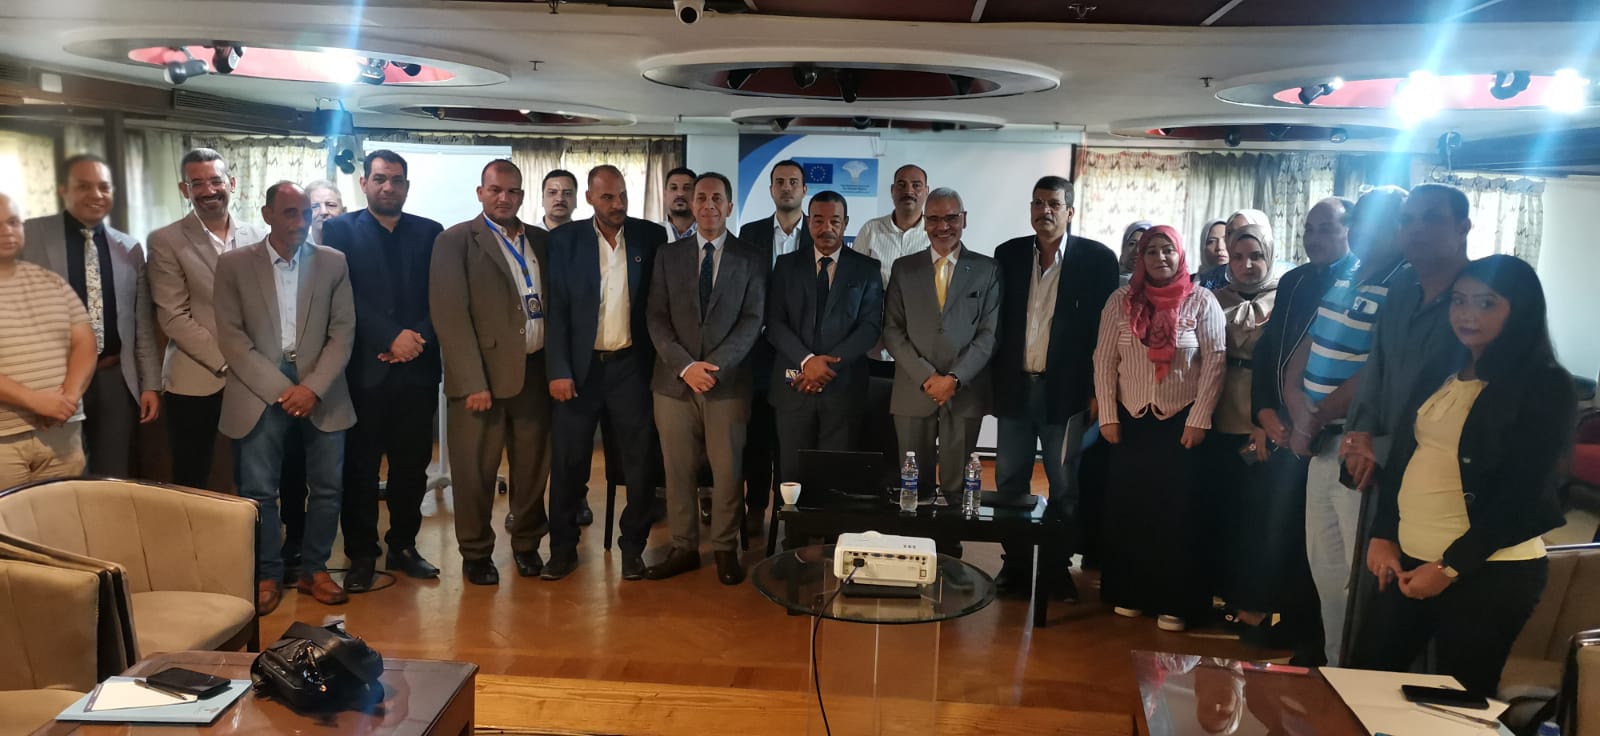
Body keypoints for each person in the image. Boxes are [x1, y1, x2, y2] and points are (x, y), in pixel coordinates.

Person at [1350, 255, 1573, 697]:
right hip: (1410, 560)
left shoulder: (1545, 385)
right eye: (1459, 301)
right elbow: (1405, 458)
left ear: (1520, 310)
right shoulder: (1443, 369)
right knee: (1364, 684)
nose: (1468, 314)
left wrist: (1449, 567)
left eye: (1486, 303)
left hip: (1488, 574)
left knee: (1456, 705)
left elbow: (1522, 496)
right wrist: (1384, 533)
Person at [1340, 184, 1477, 662]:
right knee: (1371, 602)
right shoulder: (1400, 287)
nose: (1416, 229)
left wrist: (1381, 445)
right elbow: (1376, 367)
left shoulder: (1475, 299)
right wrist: (1359, 437)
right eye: (1407, 219)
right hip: (1380, 466)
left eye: (1431, 218)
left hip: (1442, 481)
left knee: (1419, 620)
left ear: (1463, 227)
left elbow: (1461, 404)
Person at [213, 181, 355, 614]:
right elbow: (232, 338)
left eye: (305, 213)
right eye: (290, 213)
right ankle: (266, 575)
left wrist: (311, 388)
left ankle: (315, 569)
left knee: (327, 488)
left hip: (321, 386)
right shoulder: (234, 265)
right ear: (268, 214)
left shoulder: (333, 262)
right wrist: (282, 390)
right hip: (260, 387)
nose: (300, 221)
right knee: (259, 491)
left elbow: (343, 332)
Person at [1280, 187, 1407, 664]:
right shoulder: (1348, 274)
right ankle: (1334, 664)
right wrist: (1297, 406)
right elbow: (1308, 345)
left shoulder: (1403, 283)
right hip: (1319, 443)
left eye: (1379, 223)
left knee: (1358, 574)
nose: (1364, 232)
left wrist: (1317, 416)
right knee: (1326, 568)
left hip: (1356, 443)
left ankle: (1353, 671)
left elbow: (1380, 366)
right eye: (1360, 222)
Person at [1236, 196, 1355, 664]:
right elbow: (1270, 351)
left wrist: (1309, 416)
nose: (1314, 238)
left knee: (1327, 548)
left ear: (1350, 231)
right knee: (1286, 531)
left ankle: (1319, 637)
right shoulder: (1295, 280)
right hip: (1285, 427)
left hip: (1329, 427)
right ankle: (1292, 623)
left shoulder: (1359, 281)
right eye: (1308, 229)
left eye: (1326, 228)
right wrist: (1264, 411)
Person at [320, 150, 445, 591]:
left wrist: (416, 339)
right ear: (364, 183)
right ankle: (361, 554)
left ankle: (404, 546)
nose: (388, 187)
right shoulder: (338, 230)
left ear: (406, 186)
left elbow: (442, 294)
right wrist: (390, 337)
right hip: (363, 371)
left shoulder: (430, 232)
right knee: (361, 467)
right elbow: (343, 295)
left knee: (412, 467)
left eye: (396, 180)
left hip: (418, 369)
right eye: (379, 179)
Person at [990, 176, 1118, 601]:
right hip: (1015, 388)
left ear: (1070, 212)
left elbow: (1105, 333)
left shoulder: (1097, 259)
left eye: (1054, 204)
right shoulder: (1008, 254)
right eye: (1038, 203)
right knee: (1010, 481)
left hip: (1067, 393)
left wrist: (1098, 391)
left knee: (1064, 486)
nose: (1044, 211)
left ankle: (1056, 568)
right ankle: (1015, 563)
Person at [1093, 225, 1225, 631]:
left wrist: (1200, 418)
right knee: (1132, 510)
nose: (1160, 258)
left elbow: (1215, 362)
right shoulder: (1120, 301)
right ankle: (1131, 591)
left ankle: (1176, 602)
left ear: (1180, 254)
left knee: (1178, 514)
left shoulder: (1201, 301)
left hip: (1181, 423)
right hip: (1131, 421)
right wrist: (1108, 415)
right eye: (1151, 251)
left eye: (1168, 250)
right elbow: (1103, 360)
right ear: (1141, 258)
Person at [430, 159, 555, 585]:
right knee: (475, 473)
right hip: (481, 380)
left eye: (513, 191)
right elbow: (450, 316)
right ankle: (476, 552)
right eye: (496, 190)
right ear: (480, 193)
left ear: (522, 195)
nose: (505, 198)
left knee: (533, 468)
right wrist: (472, 382)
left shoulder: (540, 240)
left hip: (533, 372)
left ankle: (527, 543)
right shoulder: (455, 241)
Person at [545, 165, 667, 581]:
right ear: (590, 200)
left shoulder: (651, 237)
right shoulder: (565, 241)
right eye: (607, 198)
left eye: (622, 196)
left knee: (640, 462)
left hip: (631, 368)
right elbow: (556, 311)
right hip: (578, 372)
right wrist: (558, 370)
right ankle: (562, 550)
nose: (618, 205)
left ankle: (633, 548)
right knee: (568, 463)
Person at [643, 172, 766, 584]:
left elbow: (753, 320)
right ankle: (683, 547)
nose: (708, 205)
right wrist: (686, 366)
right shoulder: (667, 255)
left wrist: (712, 367)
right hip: (673, 383)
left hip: (726, 383)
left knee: (728, 470)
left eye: (717, 198)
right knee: (677, 470)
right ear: (691, 204)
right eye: (701, 198)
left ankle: (726, 548)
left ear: (729, 206)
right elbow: (655, 316)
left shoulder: (751, 258)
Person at [22, 154, 160, 477]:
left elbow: (140, 325)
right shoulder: (30, 235)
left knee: (113, 470)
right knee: (61, 471)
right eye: (84, 186)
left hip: (114, 377)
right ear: (63, 190)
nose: (96, 195)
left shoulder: (129, 248)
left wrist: (150, 384)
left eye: (103, 187)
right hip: (53, 377)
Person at [147, 148, 267, 490]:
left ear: (232, 183)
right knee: (192, 474)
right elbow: (173, 316)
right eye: (197, 183)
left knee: (255, 470)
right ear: (184, 190)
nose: (208, 190)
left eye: (215, 180)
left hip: (255, 378)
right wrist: (230, 362)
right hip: (196, 377)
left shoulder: (260, 236)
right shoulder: (166, 241)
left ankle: (252, 526)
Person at [882, 187, 1001, 502]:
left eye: (951, 218)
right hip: (913, 388)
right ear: (924, 222)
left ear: (964, 219)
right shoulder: (904, 268)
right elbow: (892, 330)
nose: (943, 226)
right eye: (934, 219)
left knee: (957, 489)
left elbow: (989, 334)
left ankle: (952, 532)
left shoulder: (987, 269)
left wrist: (954, 378)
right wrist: (927, 376)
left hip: (964, 390)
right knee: (912, 488)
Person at [765, 190, 882, 484]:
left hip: (843, 389)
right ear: (809, 222)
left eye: (835, 221)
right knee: (792, 475)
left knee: (836, 476)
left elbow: (870, 328)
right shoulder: (786, 265)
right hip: (794, 385)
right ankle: (793, 519)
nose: (826, 228)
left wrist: (826, 366)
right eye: (818, 220)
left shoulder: (867, 269)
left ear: (846, 223)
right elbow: (774, 323)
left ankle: (832, 519)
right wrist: (807, 361)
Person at [1202, 224, 1279, 624]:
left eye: (1256, 256)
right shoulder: (1213, 298)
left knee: (1256, 511)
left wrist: (1267, 418)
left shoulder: (1285, 298)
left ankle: (1251, 597)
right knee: (1220, 505)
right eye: (1238, 257)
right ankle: (1219, 592)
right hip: (1219, 408)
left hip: (1261, 415)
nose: (1247, 265)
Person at [737, 159, 814, 536]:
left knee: (792, 437)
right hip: (755, 351)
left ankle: (790, 511)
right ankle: (754, 506)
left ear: (804, 190)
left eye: (793, 182)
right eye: (780, 181)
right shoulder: (749, 233)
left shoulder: (816, 233)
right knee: (757, 435)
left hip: (798, 351)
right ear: (770, 189)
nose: (787, 187)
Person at [0, 192, 95, 488]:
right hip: (4, 441)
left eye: (13, 222)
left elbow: (85, 344)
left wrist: (67, 399)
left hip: (62, 430)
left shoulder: (51, 281)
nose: (7, 231)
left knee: (62, 514)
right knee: (8, 518)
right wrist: (35, 401)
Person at [852, 164, 931, 290]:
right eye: (901, 185)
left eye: (916, 185)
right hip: (877, 303)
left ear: (926, 192)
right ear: (892, 190)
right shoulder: (871, 229)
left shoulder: (935, 233)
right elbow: (854, 279)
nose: (908, 191)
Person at [658, 167, 697, 242]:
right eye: (674, 188)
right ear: (665, 195)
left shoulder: (710, 233)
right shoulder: (652, 233)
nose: (680, 194)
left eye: (687, 188)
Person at [304, 179, 343, 246]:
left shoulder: (355, 246)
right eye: (314, 206)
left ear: (343, 211)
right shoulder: (295, 249)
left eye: (331, 205)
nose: (323, 211)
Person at [1193, 219, 1229, 289]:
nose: (1220, 247)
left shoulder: (1244, 283)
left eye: (1226, 240)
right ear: (1203, 247)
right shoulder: (1188, 283)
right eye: (1212, 241)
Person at [1117, 220, 1153, 285]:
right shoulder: (1107, 280)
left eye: (1143, 244)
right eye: (1132, 244)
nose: (1137, 251)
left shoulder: (1161, 284)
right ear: (1123, 249)